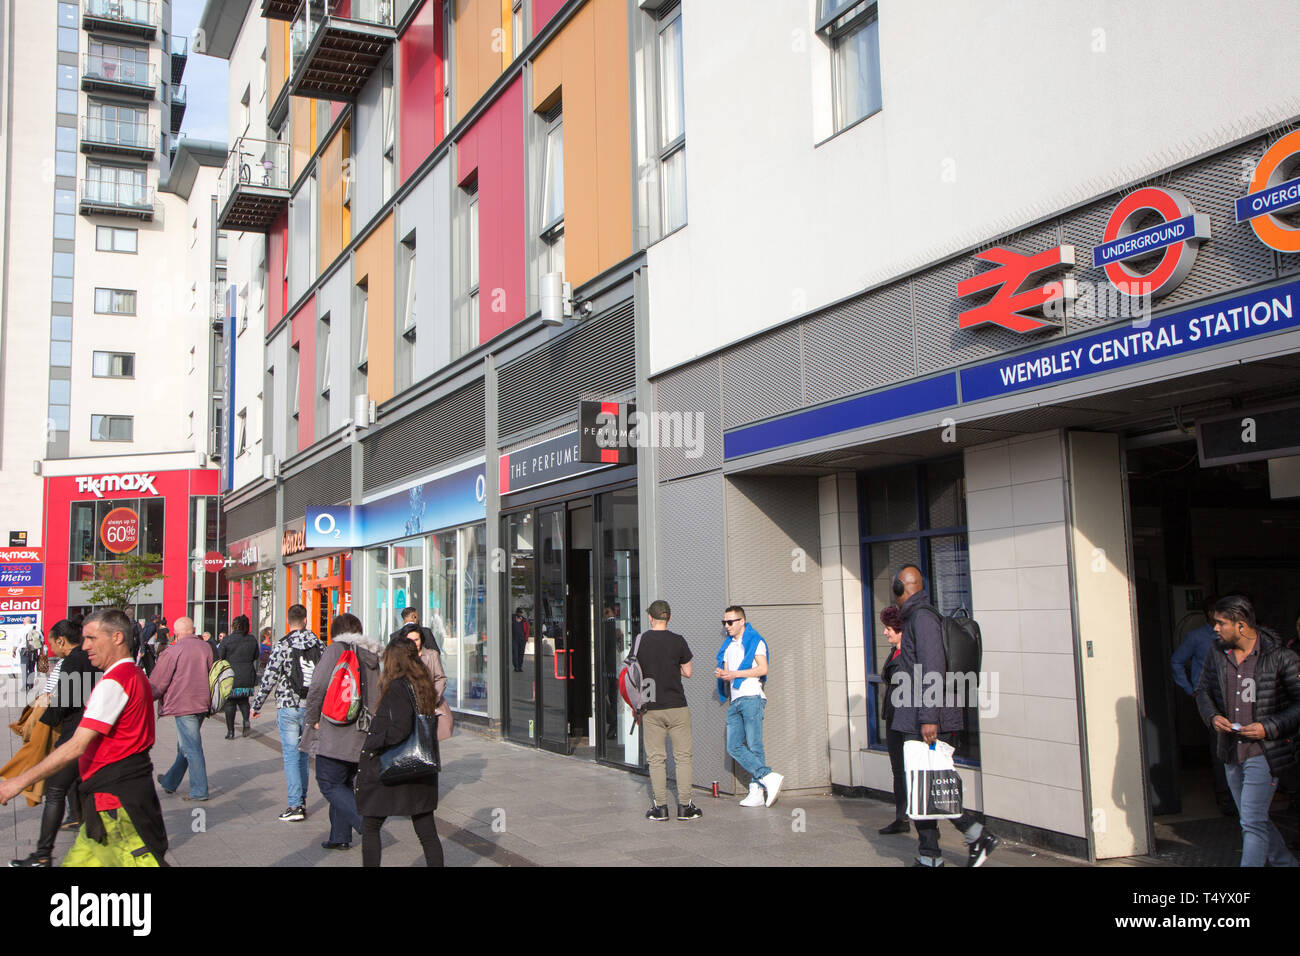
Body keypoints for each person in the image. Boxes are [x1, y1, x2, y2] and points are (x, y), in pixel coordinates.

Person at [0, 609, 168, 867]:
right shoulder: (133, 675)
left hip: (118, 805)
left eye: (91, 638)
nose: (85, 645)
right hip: (103, 805)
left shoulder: (116, 681)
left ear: (117, 638)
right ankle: (42, 855)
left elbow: (77, 745)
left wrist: (18, 782)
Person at [891, 565, 998, 867]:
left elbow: (933, 669)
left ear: (902, 588)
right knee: (924, 785)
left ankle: (974, 836)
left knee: (932, 784)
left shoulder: (922, 618)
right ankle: (933, 855)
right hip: (917, 715)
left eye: (894, 588)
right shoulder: (917, 616)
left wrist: (928, 718)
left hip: (924, 718)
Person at [1195, 594, 1300, 867]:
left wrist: (1268, 727)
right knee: (1254, 819)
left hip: (1264, 752)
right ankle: (1286, 864)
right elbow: (1203, 690)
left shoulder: (1280, 657)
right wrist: (1212, 715)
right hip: (1231, 751)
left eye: (1220, 623)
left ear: (1241, 625)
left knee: (1251, 822)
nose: (1214, 629)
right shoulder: (1217, 654)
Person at [9, 617, 99, 866]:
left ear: (61, 641)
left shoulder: (72, 661)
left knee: (56, 790)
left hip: (75, 732)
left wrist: (42, 722)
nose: (49, 648)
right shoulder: (91, 658)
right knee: (81, 789)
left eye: (50, 643)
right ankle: (90, 840)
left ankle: (42, 855)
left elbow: (66, 701)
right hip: (91, 729)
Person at [355, 637, 444, 867]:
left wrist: (374, 741)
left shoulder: (398, 686)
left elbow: (400, 728)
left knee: (371, 825)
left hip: (396, 768)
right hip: (420, 767)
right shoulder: (422, 685)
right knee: (426, 831)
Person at [300, 613, 381, 851]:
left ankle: (365, 824)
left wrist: (312, 717)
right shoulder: (371, 654)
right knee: (345, 781)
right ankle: (339, 835)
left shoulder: (336, 650)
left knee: (328, 781)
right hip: (363, 729)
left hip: (337, 727)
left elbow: (318, 685)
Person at [250, 604, 323, 823]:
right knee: (303, 754)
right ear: (306, 620)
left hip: (289, 705)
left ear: (289, 622)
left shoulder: (283, 644)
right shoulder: (319, 644)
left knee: (292, 755)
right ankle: (301, 799)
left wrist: (257, 704)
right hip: (311, 707)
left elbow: (270, 676)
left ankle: (295, 804)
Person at [1171, 594, 1235, 815]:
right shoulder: (1197, 637)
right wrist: (1192, 691)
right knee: (1220, 748)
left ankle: (1240, 798)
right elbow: (1177, 662)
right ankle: (1225, 799)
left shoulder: (1236, 637)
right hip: (1211, 700)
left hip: (1237, 697)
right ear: (1211, 614)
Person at [637, 600, 700, 822]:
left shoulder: (641, 641)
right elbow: (688, 671)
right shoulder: (678, 641)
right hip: (677, 706)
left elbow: (633, 671)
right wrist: (672, 668)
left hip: (652, 706)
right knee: (683, 758)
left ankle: (660, 808)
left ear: (650, 618)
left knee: (656, 759)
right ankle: (685, 807)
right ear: (669, 618)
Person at [715, 605, 783, 808]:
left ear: (742, 621)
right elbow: (728, 672)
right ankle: (767, 776)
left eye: (730, 622)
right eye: (724, 622)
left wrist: (734, 674)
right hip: (736, 700)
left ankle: (756, 790)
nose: (727, 626)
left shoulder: (755, 641)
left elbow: (763, 668)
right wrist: (724, 674)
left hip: (752, 697)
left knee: (754, 745)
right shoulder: (727, 646)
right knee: (733, 746)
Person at [150, 616, 213, 801]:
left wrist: (147, 697)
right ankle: (170, 781)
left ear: (175, 633)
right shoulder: (206, 647)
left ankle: (199, 790)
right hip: (203, 702)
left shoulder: (173, 651)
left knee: (191, 747)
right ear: (193, 629)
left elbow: (158, 682)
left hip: (184, 704)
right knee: (185, 746)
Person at [877, 604, 909, 836]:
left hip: (905, 719)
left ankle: (912, 817)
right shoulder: (896, 651)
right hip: (894, 718)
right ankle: (902, 816)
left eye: (889, 628)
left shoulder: (909, 653)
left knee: (906, 770)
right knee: (898, 770)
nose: (885, 632)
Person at [217, 616, 260, 739]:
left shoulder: (227, 640)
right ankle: (246, 722)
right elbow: (256, 655)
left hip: (231, 676)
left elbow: (220, 656)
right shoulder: (252, 639)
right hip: (247, 674)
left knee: (230, 704)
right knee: (244, 701)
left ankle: (230, 732)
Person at [511, 608, 528, 672]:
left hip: (522, 639)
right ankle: (516, 667)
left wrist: (526, 638)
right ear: (516, 613)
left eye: (521, 613)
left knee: (521, 653)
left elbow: (527, 630)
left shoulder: (524, 620)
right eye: (519, 613)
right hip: (514, 639)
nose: (520, 614)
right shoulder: (512, 619)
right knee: (515, 653)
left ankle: (520, 666)